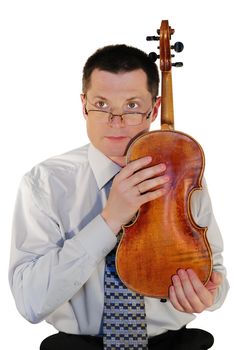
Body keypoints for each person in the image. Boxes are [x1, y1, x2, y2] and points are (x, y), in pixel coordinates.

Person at [9, 44, 229, 350]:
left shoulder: (184, 172)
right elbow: (30, 301)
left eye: (132, 106)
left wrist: (209, 294)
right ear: (84, 105)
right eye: (102, 104)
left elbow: (215, 273)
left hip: (175, 344)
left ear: (154, 109)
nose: (116, 120)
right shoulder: (44, 183)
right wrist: (110, 219)